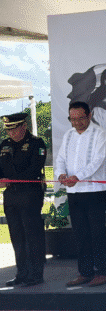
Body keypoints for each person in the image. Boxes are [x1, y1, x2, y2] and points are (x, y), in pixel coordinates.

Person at [55, 101, 106, 287]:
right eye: (73, 119)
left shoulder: (100, 133)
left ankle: (102, 272)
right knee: (80, 234)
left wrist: (78, 176)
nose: (77, 123)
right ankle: (85, 272)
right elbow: (61, 158)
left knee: (97, 233)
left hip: (94, 191)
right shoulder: (69, 135)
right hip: (74, 192)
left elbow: (98, 161)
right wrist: (61, 175)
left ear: (89, 115)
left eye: (80, 118)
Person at [0, 112, 47, 287]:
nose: (11, 134)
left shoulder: (36, 143)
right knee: (16, 235)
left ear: (24, 126)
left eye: (14, 129)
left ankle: (36, 273)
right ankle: (22, 272)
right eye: (8, 130)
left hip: (30, 193)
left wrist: (11, 179)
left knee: (32, 234)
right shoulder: (4, 145)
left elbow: (35, 168)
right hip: (11, 195)